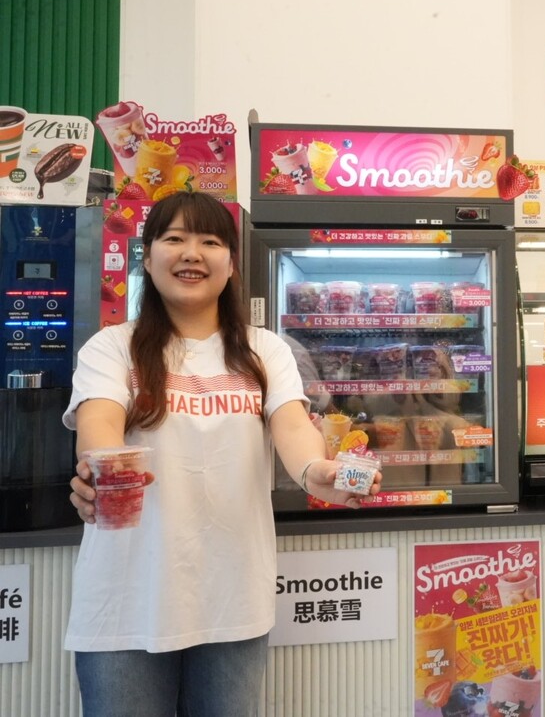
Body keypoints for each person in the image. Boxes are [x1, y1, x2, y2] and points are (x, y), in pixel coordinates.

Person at [65, 192, 381, 717]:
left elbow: (293, 427)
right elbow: (99, 424)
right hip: (125, 600)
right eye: (174, 238)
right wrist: (101, 472)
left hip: (233, 599)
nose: (192, 253)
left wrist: (316, 471)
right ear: (148, 257)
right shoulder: (112, 347)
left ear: (231, 263)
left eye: (210, 241)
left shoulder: (265, 349)